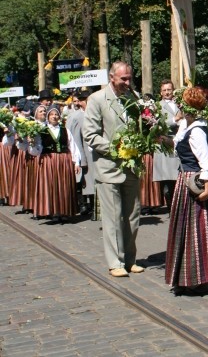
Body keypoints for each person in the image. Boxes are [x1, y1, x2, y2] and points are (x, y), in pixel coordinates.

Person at [165, 86, 208, 295]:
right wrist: (160, 137)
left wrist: (207, 189)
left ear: (188, 107)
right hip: (185, 179)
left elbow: (206, 162)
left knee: (198, 230)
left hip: (194, 181)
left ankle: (200, 277)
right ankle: (191, 276)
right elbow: (176, 144)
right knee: (188, 230)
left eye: (182, 104)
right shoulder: (186, 125)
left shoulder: (196, 130)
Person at [82, 61, 145, 278]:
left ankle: (130, 259)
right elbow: (90, 134)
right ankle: (115, 261)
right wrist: (117, 149)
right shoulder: (97, 99)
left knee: (132, 215)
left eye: (129, 78)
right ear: (112, 77)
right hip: (109, 167)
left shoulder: (133, 98)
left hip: (132, 167)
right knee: (113, 217)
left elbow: (141, 126)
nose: (127, 83)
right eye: (123, 79)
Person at [29, 105, 81, 220]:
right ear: (48, 117)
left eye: (56, 114)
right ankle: (54, 212)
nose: (54, 116)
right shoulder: (42, 131)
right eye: (52, 114)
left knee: (64, 186)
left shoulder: (65, 130)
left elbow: (72, 146)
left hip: (64, 161)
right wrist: (32, 144)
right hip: (48, 161)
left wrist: (76, 162)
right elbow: (36, 150)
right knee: (51, 186)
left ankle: (65, 211)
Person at [153, 80, 181, 210]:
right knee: (167, 181)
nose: (167, 92)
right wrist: (174, 120)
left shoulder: (180, 103)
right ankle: (171, 207)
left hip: (179, 143)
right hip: (165, 143)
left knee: (178, 178)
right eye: (164, 90)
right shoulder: (157, 106)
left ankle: (179, 207)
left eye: (169, 89)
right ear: (160, 92)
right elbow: (156, 124)